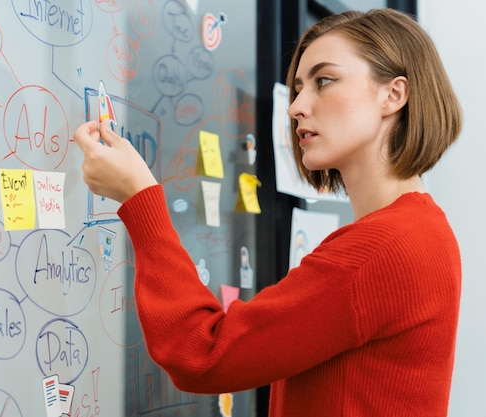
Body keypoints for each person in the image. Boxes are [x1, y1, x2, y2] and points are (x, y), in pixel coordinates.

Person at [74, 8, 462, 417]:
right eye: (297, 89)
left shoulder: (383, 247)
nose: (296, 106)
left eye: (323, 81)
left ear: (393, 95)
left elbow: (201, 354)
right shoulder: (422, 229)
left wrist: (139, 197)